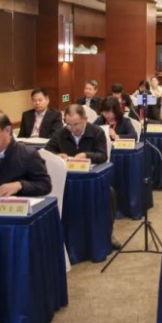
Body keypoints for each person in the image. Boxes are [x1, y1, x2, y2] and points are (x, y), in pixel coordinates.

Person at [45, 104, 118, 248]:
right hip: (67, 181)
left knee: (110, 194)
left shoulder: (96, 132)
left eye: (76, 124)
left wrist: (86, 155)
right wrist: (57, 155)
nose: (72, 128)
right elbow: (47, 151)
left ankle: (107, 233)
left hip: (90, 180)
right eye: (68, 124)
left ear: (85, 119)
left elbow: (102, 156)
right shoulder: (61, 133)